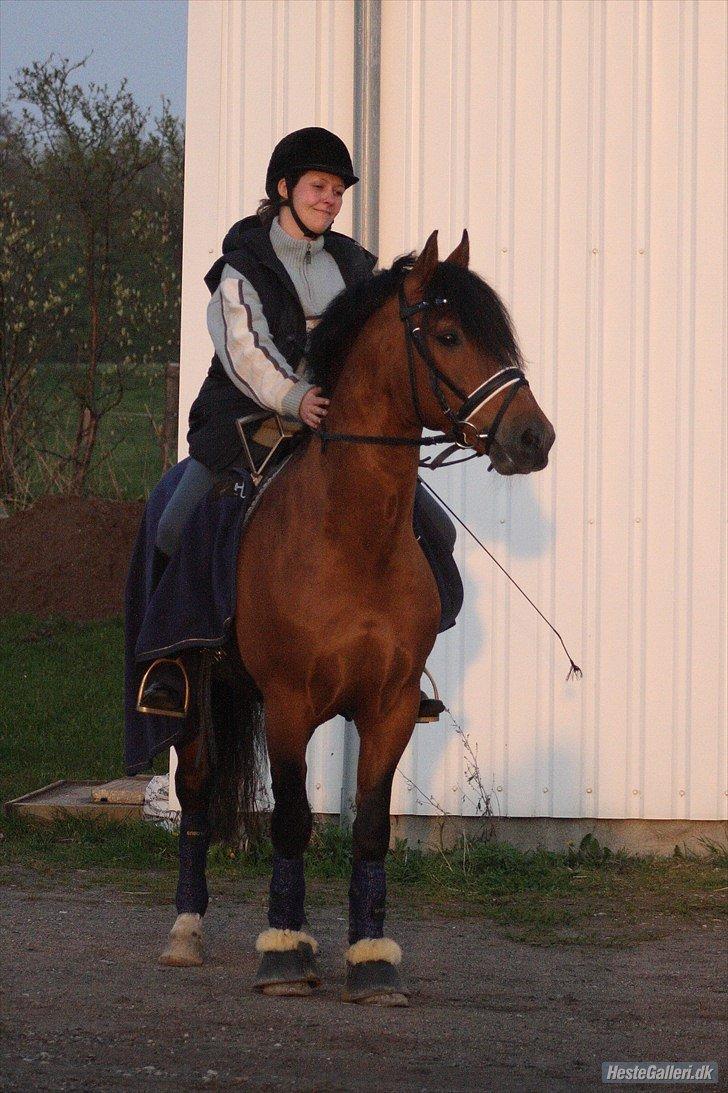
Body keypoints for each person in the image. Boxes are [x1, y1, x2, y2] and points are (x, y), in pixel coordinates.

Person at [140, 127, 451, 721]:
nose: (329, 200)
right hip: (248, 425)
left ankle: (406, 660)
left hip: (336, 429)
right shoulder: (242, 265)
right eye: (318, 187)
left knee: (434, 530)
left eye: (337, 191)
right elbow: (243, 350)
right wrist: (294, 397)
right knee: (178, 523)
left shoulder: (356, 267)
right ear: (283, 189)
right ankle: (175, 665)